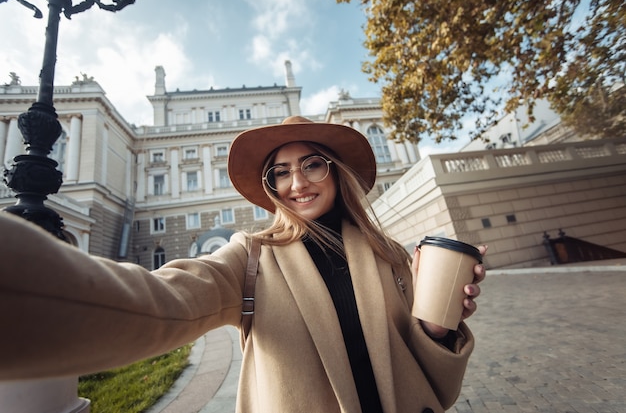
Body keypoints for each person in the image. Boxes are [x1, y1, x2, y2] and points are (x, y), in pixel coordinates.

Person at [0, 116, 487, 413]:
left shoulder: (391, 256)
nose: (297, 182)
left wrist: (439, 327)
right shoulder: (250, 256)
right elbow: (160, 302)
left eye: (312, 164)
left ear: (335, 171)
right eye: (280, 172)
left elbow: (430, 380)